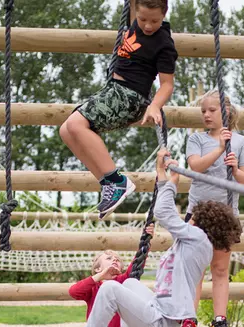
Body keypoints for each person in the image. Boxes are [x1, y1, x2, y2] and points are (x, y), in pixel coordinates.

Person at [46, 148, 242, 327]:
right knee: (129, 283)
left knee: (109, 289)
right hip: (160, 314)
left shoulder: (197, 238)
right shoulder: (195, 242)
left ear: (200, 224)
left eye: (192, 218)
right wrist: (163, 177)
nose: (187, 220)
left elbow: (163, 212)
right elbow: (165, 212)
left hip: (161, 326)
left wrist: (170, 183)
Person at [59, 0, 177, 219]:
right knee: (66, 131)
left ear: (164, 14)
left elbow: (167, 84)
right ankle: (108, 184)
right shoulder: (134, 22)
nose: (148, 26)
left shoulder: (163, 44)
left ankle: (117, 182)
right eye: (142, 19)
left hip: (130, 96)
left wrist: (155, 106)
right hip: (113, 90)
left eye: (155, 21)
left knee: (76, 124)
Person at [176, 91, 244, 327]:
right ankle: (189, 318)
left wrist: (234, 168)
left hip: (225, 214)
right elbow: (195, 168)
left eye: (212, 110)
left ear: (226, 112)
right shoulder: (196, 139)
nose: (206, 115)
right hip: (199, 214)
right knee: (195, 270)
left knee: (220, 269)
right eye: (203, 111)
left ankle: (220, 321)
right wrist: (220, 148)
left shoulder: (240, 142)